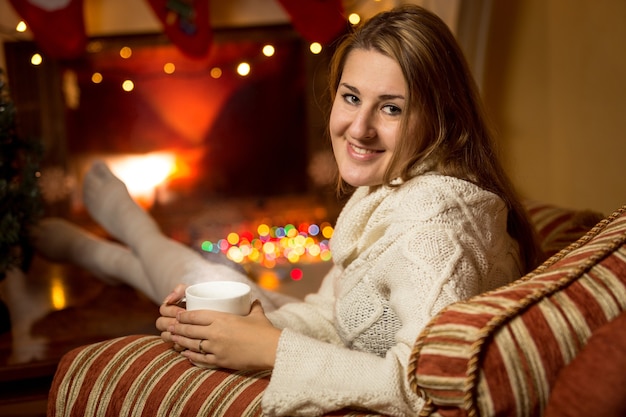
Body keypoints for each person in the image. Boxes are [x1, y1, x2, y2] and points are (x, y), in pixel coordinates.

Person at [34, 4, 540, 416]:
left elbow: (424, 387)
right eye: (350, 97)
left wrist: (267, 349)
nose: (358, 128)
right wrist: (258, 327)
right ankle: (120, 252)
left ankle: (124, 246)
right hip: (323, 341)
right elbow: (333, 310)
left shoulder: (435, 225)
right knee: (216, 290)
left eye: (392, 108)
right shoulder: (391, 190)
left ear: (441, 117)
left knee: (204, 272)